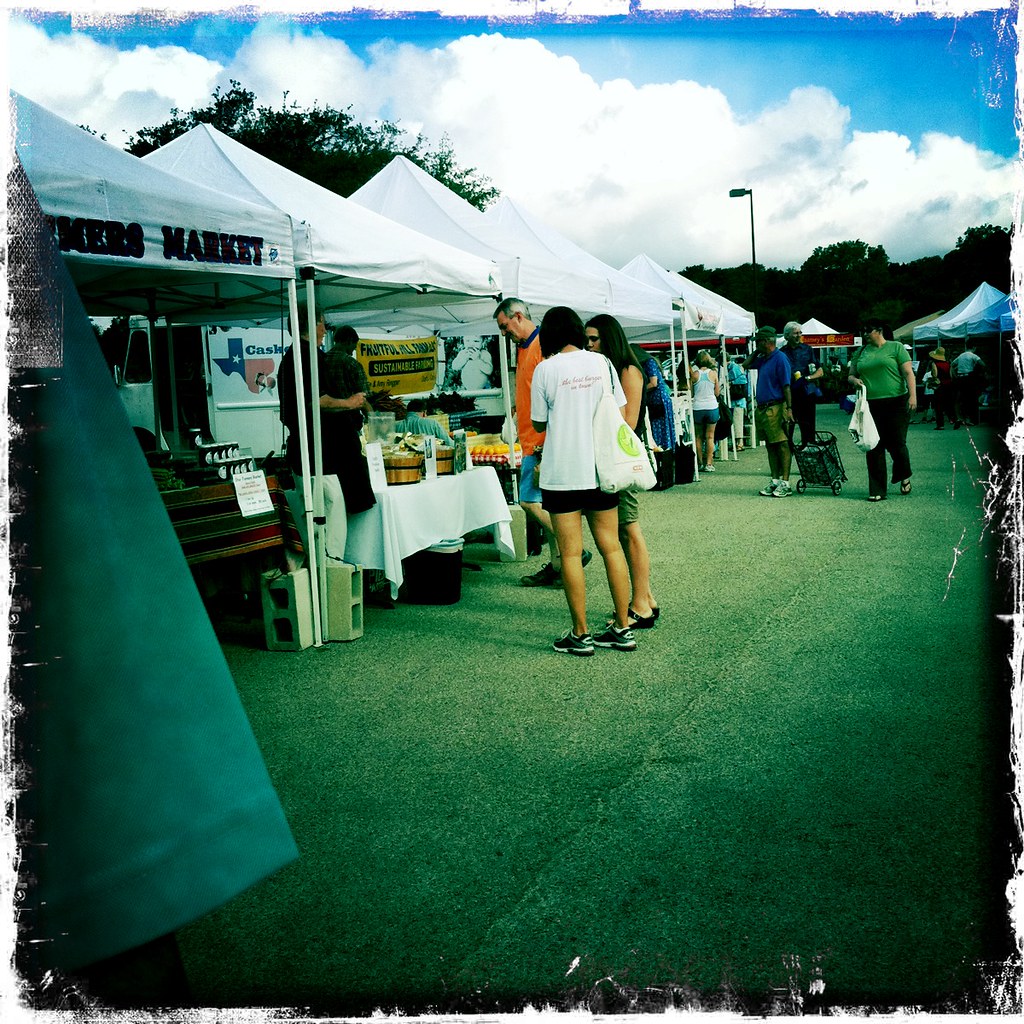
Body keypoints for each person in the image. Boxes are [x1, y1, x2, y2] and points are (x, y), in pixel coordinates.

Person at [531, 306, 637, 655]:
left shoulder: (545, 369)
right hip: (599, 468)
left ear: (549, 334)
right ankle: (622, 627)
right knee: (612, 547)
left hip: (562, 473)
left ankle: (581, 634)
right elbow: (620, 413)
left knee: (571, 554)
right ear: (577, 331)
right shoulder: (602, 363)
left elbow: (538, 424)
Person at [495, 297, 591, 587]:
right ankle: (558, 565)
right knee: (546, 506)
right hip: (530, 440)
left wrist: (545, 444)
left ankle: (575, 549)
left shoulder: (541, 347)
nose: (504, 333)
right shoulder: (525, 349)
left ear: (518, 316)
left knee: (528, 502)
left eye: (505, 326)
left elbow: (553, 396)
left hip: (539, 442)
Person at [585, 315, 660, 629]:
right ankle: (646, 598)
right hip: (612, 459)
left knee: (629, 529)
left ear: (610, 338)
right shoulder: (609, 369)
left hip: (621, 459)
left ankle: (641, 604)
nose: (589, 345)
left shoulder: (628, 370)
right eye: (587, 339)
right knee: (623, 531)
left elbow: (628, 421)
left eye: (594, 339)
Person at [277, 314, 375, 518]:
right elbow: (317, 401)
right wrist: (350, 402)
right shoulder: (306, 358)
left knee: (329, 511)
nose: (324, 330)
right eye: (322, 324)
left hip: (317, 450)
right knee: (330, 513)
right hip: (320, 451)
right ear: (312, 326)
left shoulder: (305, 356)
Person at [848, 321, 916, 501]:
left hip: (896, 401)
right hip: (870, 404)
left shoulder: (896, 347)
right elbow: (851, 375)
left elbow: (908, 373)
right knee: (873, 445)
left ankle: (903, 475)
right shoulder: (860, 352)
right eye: (862, 331)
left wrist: (913, 396)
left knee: (897, 443)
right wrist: (854, 381)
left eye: (868, 331)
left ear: (879, 331)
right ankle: (877, 490)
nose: (864, 334)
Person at [743, 327, 794, 497]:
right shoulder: (764, 359)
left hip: (776, 406)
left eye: (758, 342)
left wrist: (789, 409)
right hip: (764, 408)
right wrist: (756, 352)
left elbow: (786, 385)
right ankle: (775, 480)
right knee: (771, 445)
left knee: (782, 444)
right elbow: (746, 365)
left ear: (766, 341)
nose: (756, 344)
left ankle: (785, 482)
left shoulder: (780, 359)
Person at [782, 321, 824, 445]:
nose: (799, 335)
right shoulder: (782, 352)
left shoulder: (807, 349)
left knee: (808, 425)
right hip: (789, 392)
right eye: (795, 333)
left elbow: (820, 371)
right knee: (788, 425)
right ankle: (788, 448)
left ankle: (808, 446)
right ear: (787, 336)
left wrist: (808, 378)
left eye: (800, 333)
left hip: (806, 391)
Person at [637, 347, 677, 453]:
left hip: (658, 400)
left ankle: (663, 451)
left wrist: (638, 390)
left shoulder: (649, 362)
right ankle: (665, 452)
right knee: (663, 429)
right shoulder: (650, 362)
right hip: (658, 399)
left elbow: (653, 383)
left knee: (659, 428)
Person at [689, 349, 720, 473]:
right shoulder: (713, 374)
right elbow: (717, 393)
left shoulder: (694, 375)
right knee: (710, 437)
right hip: (711, 406)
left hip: (698, 407)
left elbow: (691, 393)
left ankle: (700, 463)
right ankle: (709, 463)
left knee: (698, 436)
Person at [951, 344, 985, 427]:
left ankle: (961, 418)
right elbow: (982, 364)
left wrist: (955, 375)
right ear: (974, 347)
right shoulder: (973, 356)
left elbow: (952, 364)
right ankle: (970, 419)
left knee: (960, 398)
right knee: (970, 398)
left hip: (960, 378)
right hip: (969, 378)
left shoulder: (961, 356)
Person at [927, 345, 956, 429]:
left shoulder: (934, 364)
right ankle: (954, 419)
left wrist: (932, 381)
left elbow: (935, 375)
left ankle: (940, 425)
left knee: (939, 405)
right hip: (949, 385)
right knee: (949, 404)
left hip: (940, 386)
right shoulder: (948, 364)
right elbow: (951, 375)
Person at [726, 355, 749, 451]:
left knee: (737, 420)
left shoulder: (733, 368)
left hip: (737, 399)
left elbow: (739, 381)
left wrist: (730, 383)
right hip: (738, 399)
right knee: (736, 420)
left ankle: (739, 443)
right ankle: (737, 442)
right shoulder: (734, 367)